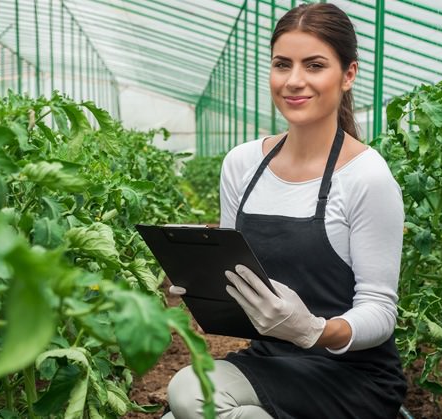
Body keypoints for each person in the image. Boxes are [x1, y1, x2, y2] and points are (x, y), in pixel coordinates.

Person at [162, 3, 407, 419]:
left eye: (314, 65)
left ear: (348, 75)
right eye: (282, 64)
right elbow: (237, 276)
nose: (294, 81)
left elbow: (380, 311)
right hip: (271, 361)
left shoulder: (367, 178)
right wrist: (199, 281)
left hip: (352, 378)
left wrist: (314, 330)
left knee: (190, 393)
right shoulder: (242, 165)